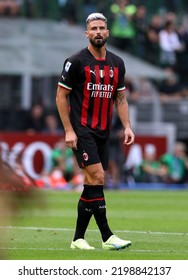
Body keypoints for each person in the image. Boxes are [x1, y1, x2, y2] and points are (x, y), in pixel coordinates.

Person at [56, 12, 135, 250]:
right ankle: (107, 237)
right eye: (94, 28)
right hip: (82, 130)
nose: (98, 32)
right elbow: (61, 96)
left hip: (104, 130)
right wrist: (69, 130)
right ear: (87, 33)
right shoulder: (75, 61)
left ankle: (78, 239)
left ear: (108, 32)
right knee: (98, 177)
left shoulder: (117, 63)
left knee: (93, 183)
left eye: (102, 28)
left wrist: (127, 126)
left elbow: (120, 98)